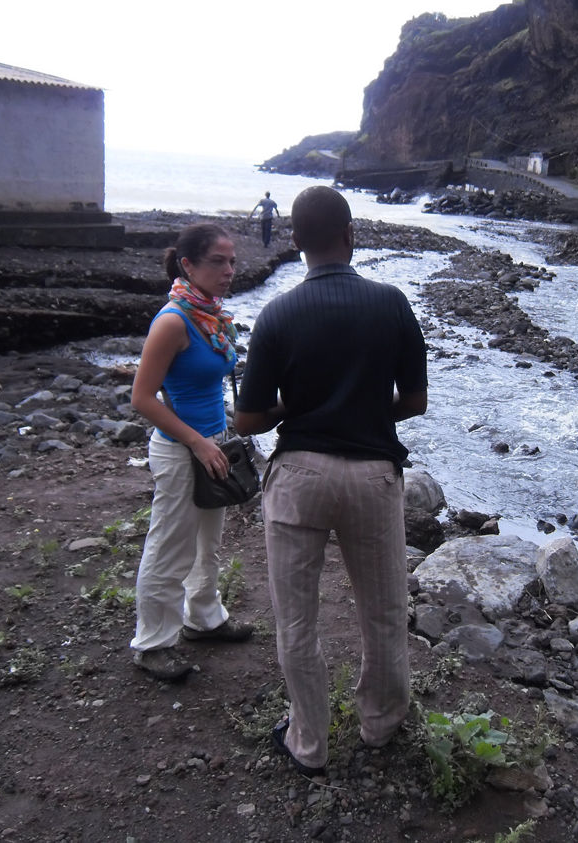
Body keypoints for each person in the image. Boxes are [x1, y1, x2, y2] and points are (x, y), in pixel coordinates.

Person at [235, 186, 428, 775]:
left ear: (294, 243)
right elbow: (415, 402)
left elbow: (246, 420)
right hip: (372, 477)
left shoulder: (276, 314)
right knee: (385, 611)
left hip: (298, 476)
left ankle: (308, 742)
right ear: (351, 235)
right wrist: (365, 411)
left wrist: (298, 414)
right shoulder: (392, 303)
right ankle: (380, 725)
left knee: (297, 618)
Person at [129, 222, 253, 681]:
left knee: (208, 545)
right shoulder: (173, 321)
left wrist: (219, 436)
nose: (229, 270)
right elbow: (142, 399)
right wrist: (198, 442)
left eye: (232, 261)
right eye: (217, 262)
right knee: (170, 548)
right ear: (188, 265)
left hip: (214, 445)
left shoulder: (212, 316)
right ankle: (153, 642)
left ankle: (204, 619)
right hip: (182, 452)